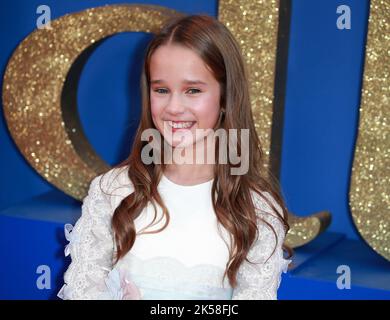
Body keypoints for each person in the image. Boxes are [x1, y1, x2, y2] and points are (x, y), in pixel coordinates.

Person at [58, 14, 292, 300]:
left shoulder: (256, 209)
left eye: (193, 90)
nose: (174, 107)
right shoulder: (112, 191)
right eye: (162, 90)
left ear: (226, 96)